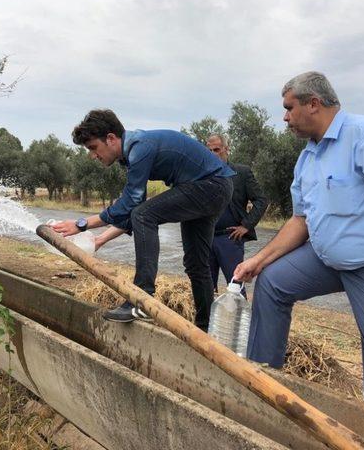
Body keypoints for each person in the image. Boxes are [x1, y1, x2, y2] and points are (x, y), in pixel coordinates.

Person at [233, 71, 364, 420]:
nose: (284, 117)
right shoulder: (308, 158)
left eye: (288, 108)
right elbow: (302, 221)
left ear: (314, 104)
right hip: (329, 259)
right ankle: (264, 386)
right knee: (271, 282)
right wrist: (260, 259)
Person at [52, 109, 234, 330]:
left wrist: (82, 224)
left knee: (144, 214)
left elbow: (133, 205)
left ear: (110, 138)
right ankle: (206, 327)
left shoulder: (140, 148)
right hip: (213, 187)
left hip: (209, 186)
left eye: (93, 148)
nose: (92, 155)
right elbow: (134, 210)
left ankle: (141, 299)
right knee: (196, 263)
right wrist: (99, 239)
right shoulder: (134, 151)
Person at [205, 134, 267, 293]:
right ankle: (206, 318)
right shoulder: (202, 175)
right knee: (205, 287)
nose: (213, 153)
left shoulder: (242, 173)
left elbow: (261, 200)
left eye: (217, 149)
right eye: (209, 150)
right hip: (205, 238)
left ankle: (238, 318)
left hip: (230, 239)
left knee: (235, 287)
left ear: (226, 149)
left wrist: (246, 225)